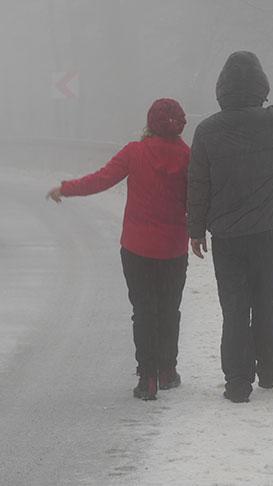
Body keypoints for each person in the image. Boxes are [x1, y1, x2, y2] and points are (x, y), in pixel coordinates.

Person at [46, 99, 190, 401]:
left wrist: (67, 188)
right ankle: (167, 370)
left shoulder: (134, 153)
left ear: (149, 123)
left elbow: (102, 179)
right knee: (168, 310)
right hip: (174, 248)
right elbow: (200, 196)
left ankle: (147, 377)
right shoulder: (188, 157)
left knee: (143, 311)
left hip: (137, 248)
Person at [186, 51, 273, 403]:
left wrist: (195, 230)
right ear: (260, 87)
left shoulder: (206, 131)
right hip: (269, 233)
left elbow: (198, 184)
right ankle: (270, 367)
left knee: (234, 306)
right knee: (268, 299)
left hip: (227, 237)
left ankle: (237, 381)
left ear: (221, 89)